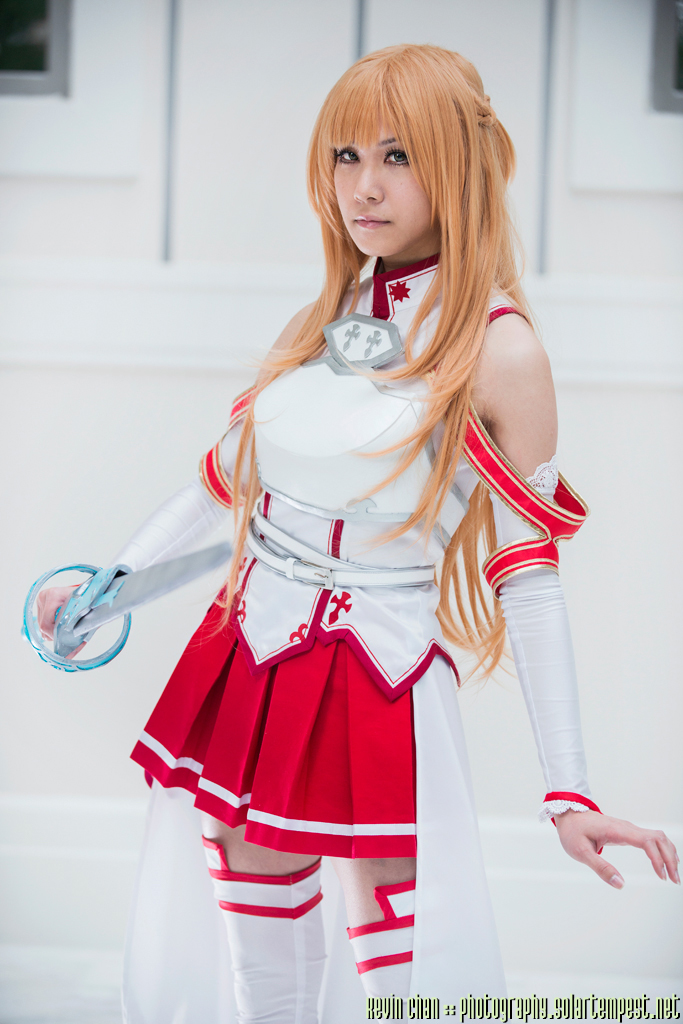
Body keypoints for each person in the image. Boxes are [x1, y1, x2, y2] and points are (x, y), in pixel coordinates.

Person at [37, 44, 678, 1023]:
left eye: (396, 155)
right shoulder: (323, 317)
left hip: (377, 670)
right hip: (253, 654)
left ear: (457, 167)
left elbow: (527, 574)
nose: (362, 187)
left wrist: (569, 793)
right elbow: (221, 489)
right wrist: (103, 592)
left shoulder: (499, 348)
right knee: (258, 955)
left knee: (395, 967)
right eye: (345, 155)